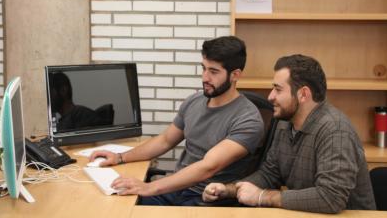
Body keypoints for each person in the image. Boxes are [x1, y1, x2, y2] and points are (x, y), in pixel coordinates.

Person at [90, 36, 264, 206]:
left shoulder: (248, 119)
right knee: (111, 203)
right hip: (175, 189)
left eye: (213, 71)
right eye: (203, 68)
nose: (204, 78)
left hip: (206, 200)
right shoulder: (194, 101)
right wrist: (120, 158)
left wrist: (149, 187)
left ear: (235, 75)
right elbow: (165, 140)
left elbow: (208, 167)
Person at [202, 54, 376, 213]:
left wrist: (263, 197)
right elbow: (269, 174)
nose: (270, 97)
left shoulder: (335, 131)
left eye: (278, 89)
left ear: (303, 94)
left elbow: (331, 198)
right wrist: (229, 190)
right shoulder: (285, 124)